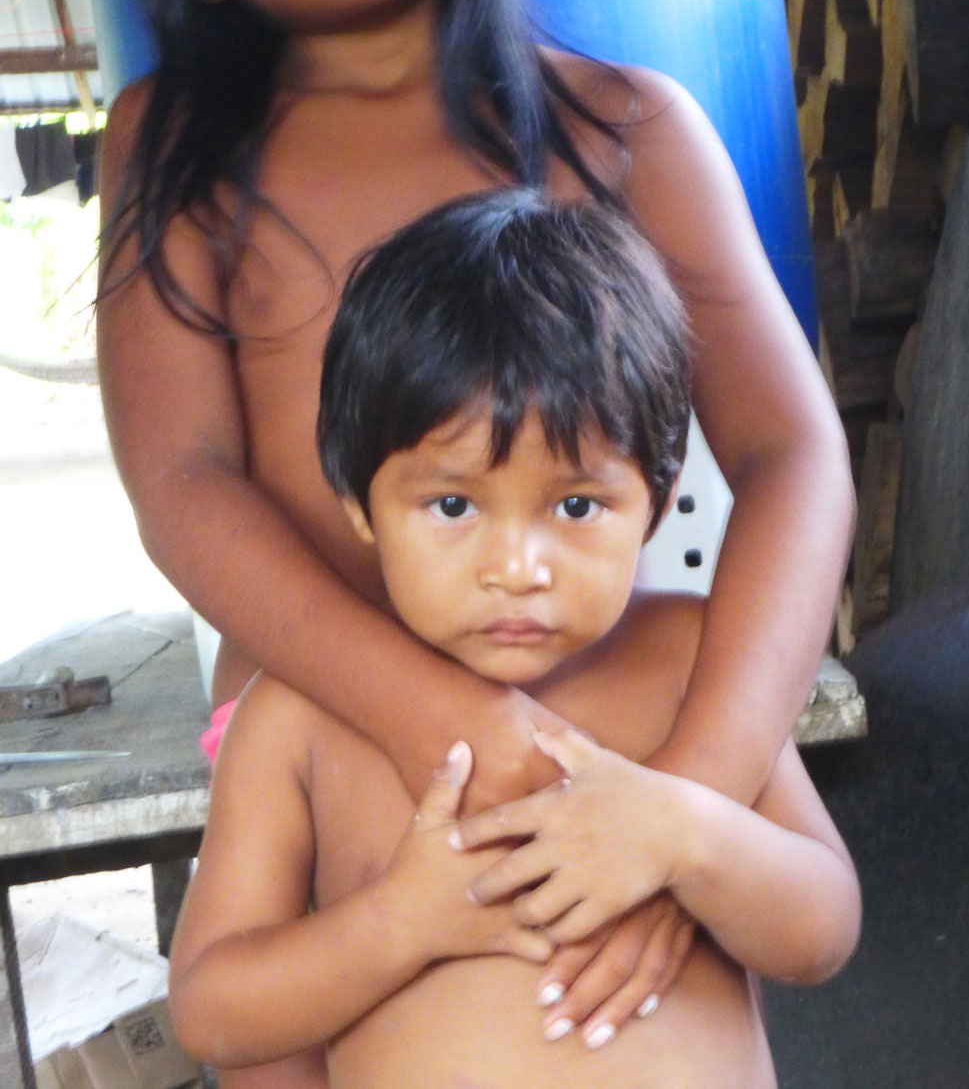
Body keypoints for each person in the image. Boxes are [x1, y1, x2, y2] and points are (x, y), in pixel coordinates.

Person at [97, 0, 855, 1053]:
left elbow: (795, 453)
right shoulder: (182, 152)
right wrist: (445, 716)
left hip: (621, 726)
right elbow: (183, 483)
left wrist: (681, 803)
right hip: (314, 728)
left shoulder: (627, 127)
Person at [168, 189, 861, 1089]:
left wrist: (687, 833)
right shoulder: (301, 716)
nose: (517, 567)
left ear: (654, 498)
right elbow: (211, 1008)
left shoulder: (688, 665)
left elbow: (821, 931)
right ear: (359, 506)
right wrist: (400, 922)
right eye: (452, 505)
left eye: (576, 505)